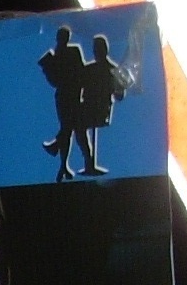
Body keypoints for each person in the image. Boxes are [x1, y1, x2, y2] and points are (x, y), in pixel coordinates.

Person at [75, 34, 129, 177]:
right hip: (88, 107)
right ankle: (88, 161)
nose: (96, 52)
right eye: (95, 49)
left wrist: (119, 86)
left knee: (78, 125)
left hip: (100, 110)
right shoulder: (91, 69)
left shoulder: (112, 70)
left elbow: (119, 96)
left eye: (98, 49)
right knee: (74, 123)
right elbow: (77, 85)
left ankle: (88, 161)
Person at [38, 26, 86, 183]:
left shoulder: (73, 51)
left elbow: (81, 72)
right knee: (67, 128)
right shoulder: (56, 55)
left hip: (72, 95)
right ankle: (61, 161)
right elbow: (54, 80)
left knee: (68, 128)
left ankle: (59, 155)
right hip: (64, 96)